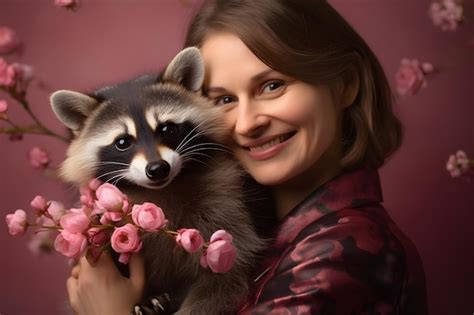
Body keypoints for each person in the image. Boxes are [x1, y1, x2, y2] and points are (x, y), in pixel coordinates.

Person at [66, 0, 428, 314]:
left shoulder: (344, 253)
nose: (248, 123)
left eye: (273, 85)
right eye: (223, 99)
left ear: (345, 84)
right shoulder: (278, 227)